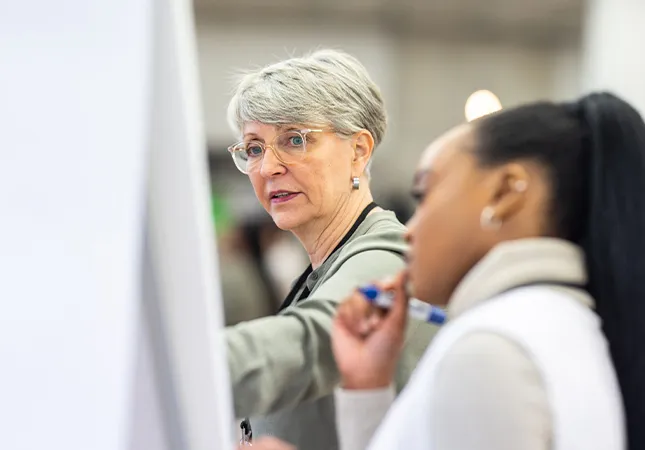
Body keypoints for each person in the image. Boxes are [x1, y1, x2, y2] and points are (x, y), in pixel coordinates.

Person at [328, 92, 645, 449]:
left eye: (423, 194)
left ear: (506, 192)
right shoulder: (560, 324)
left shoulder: (490, 349)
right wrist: (368, 387)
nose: (410, 230)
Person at [224, 49, 437, 449]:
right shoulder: (327, 267)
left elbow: (315, 340)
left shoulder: (385, 256)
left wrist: (178, 363)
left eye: (295, 140)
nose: (267, 167)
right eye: (254, 149)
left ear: (358, 151)